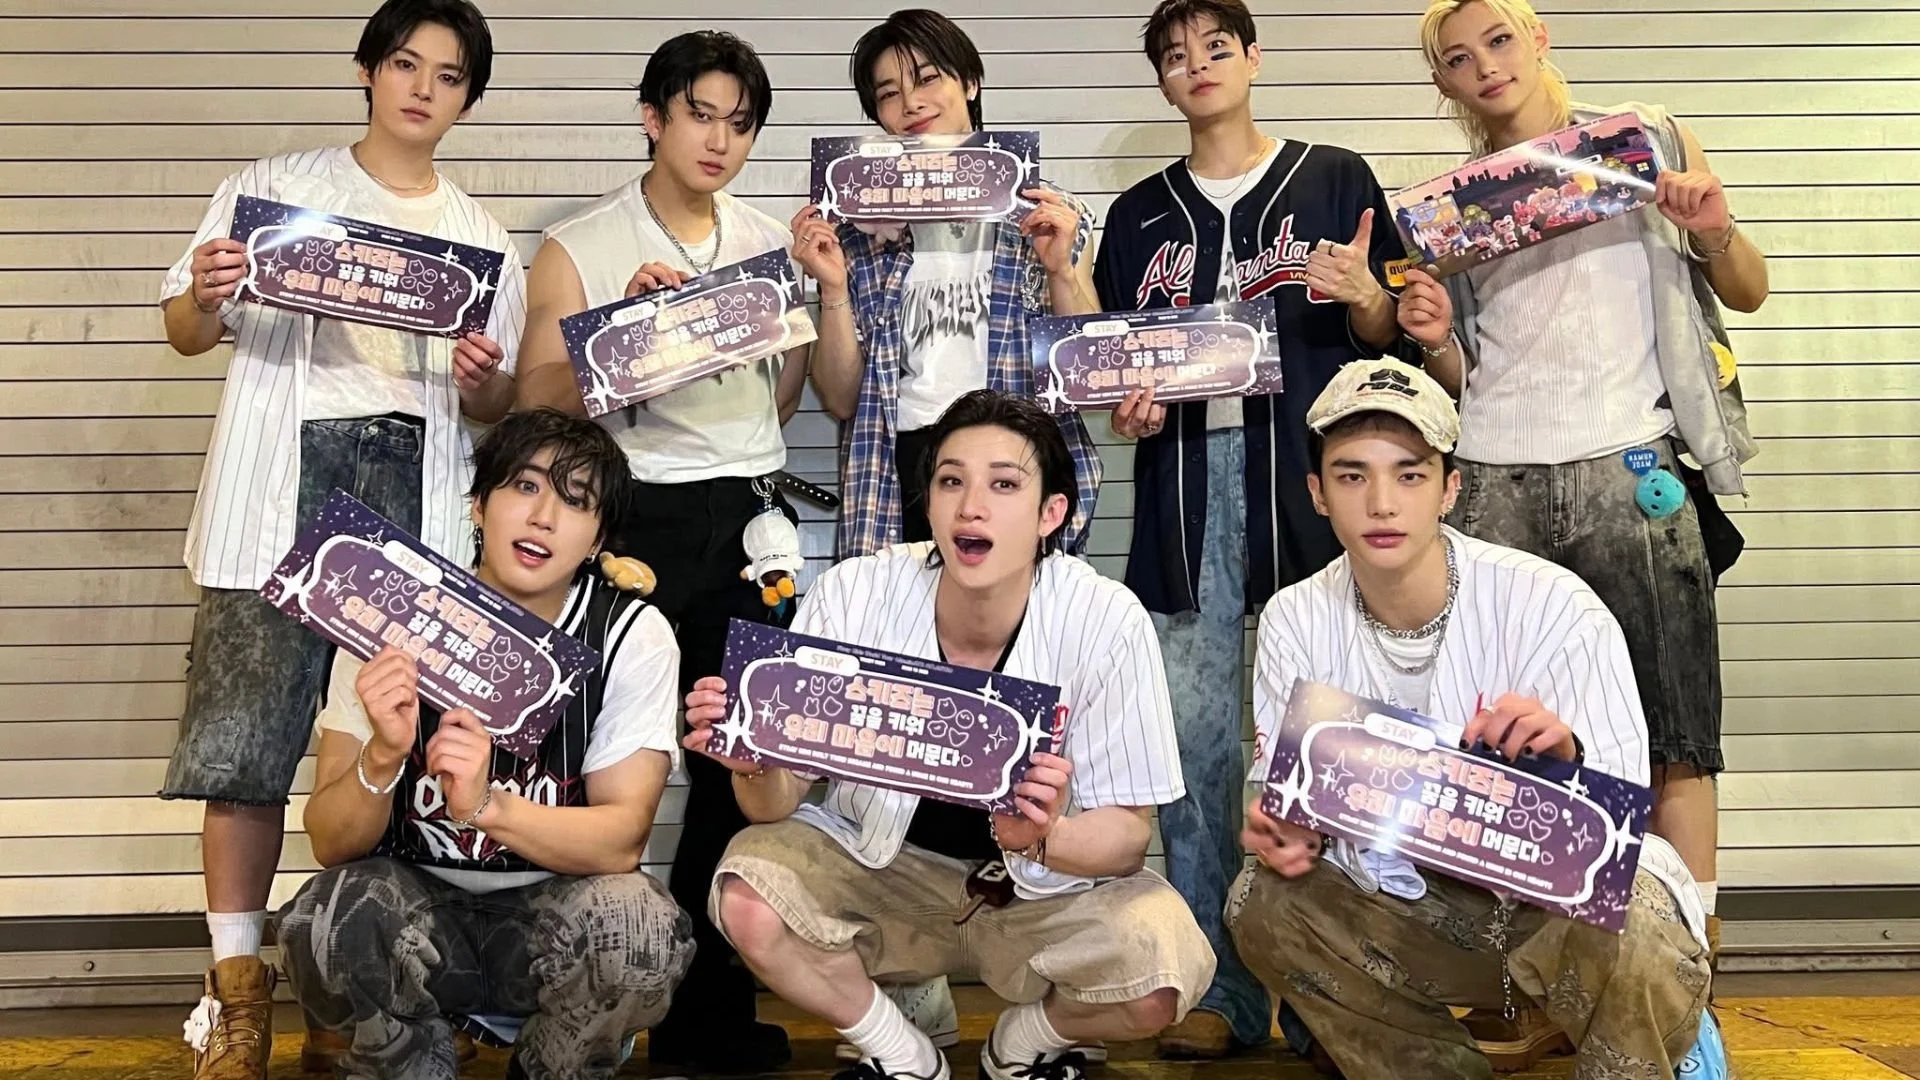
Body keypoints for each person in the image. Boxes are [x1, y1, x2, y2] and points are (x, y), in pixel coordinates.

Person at [155, 2, 525, 1075]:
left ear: (466, 99)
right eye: (405, 63)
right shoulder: (276, 189)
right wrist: (214, 296)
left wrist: (483, 377)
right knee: (245, 754)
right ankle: (234, 992)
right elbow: (182, 328)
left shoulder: (482, 235)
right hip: (273, 497)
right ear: (368, 71)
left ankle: (348, 986)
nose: (422, 87)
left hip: (410, 513)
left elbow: (496, 398)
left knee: (384, 756)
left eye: (448, 76)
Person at [685, 390, 1216, 1080]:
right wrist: (753, 763)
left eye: (1004, 483)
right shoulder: (855, 592)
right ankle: (903, 1055)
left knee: (1161, 979)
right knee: (748, 893)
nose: (972, 506)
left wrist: (1046, 836)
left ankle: (1023, 1044)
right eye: (951, 481)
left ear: (1051, 513)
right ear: (928, 503)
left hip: (1037, 891)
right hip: (884, 870)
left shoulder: (1104, 617)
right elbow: (772, 807)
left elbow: (1126, 838)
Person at [1397, 0, 1768, 972]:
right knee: (1512, 757)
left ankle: (1684, 988)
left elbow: (1748, 288)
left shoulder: (1642, 142)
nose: (1484, 66)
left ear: (1540, 36)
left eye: (1499, 40)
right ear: (1442, 81)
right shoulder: (1452, 206)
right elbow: (1463, 374)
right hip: (1495, 475)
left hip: (1631, 462)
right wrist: (1433, 333)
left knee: (1672, 737)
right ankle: (1545, 988)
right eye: (1458, 57)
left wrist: (1714, 226)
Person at [1228, 358, 1714, 1079]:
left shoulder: (1553, 604)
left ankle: (1656, 1049)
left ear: (1451, 489)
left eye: (1411, 474)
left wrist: (1566, 759)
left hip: (1553, 917)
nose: (1382, 503)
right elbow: (1279, 788)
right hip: (1420, 915)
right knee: (1260, 903)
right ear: (1318, 494)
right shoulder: (1296, 618)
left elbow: (1621, 838)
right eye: (1352, 475)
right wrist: (1283, 830)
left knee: (1640, 911)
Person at [1089, 0, 1410, 1058]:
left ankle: (1330, 1000)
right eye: (1175, 57)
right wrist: (1122, 405)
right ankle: (1217, 993)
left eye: (1216, 47)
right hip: (1182, 498)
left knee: (1320, 751)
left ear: (1252, 57)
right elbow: (1111, 363)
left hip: (1307, 494)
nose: (1198, 67)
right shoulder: (1138, 215)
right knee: (1190, 759)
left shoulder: (1334, 178)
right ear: (1163, 82)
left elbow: (1392, 331)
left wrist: (1369, 298)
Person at [510, 30, 807, 1073]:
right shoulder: (577, 245)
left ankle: (704, 1016)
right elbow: (530, 402)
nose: (720, 138)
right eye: (701, 114)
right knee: (601, 763)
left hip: (750, 524)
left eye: (740, 122)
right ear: (653, 116)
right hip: (629, 524)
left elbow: (781, 399)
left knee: (736, 769)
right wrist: (615, 339)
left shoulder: (773, 244)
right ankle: (570, 994)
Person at [275, 408, 693, 1080]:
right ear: (478, 506)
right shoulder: (392, 612)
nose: (543, 518)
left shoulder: (629, 634)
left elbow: (620, 839)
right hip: (419, 908)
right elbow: (331, 842)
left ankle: (560, 1063)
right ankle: (407, 1064)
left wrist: (486, 806)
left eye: (575, 501)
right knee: (324, 918)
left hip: (551, 910)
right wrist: (382, 755)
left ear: (597, 540)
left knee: (639, 930)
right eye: (525, 488)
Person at [794, 9, 1105, 563]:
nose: (910, 103)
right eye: (888, 93)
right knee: (902, 634)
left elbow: (1080, 378)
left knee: (1017, 636)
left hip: (1015, 455)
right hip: (902, 462)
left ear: (970, 81)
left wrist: (1059, 270)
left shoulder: (1045, 211)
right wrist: (833, 286)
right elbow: (842, 399)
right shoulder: (857, 229)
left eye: (928, 78)